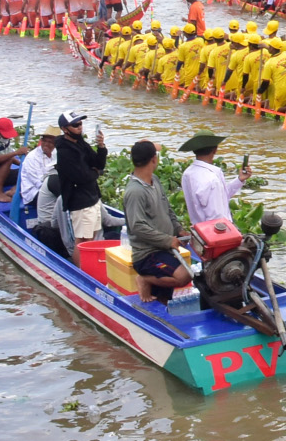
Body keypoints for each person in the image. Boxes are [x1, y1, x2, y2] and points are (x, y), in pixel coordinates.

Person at [123, 140, 192, 303]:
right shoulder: (135, 192)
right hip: (148, 254)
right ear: (154, 159)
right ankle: (144, 279)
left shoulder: (154, 180)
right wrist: (167, 240)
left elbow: (167, 209)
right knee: (184, 275)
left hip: (164, 249)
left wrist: (178, 229)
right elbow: (137, 226)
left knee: (163, 297)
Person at [53, 109, 109, 257]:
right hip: (80, 201)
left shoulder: (81, 143)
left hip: (92, 197)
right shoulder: (64, 151)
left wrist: (101, 147)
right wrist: (96, 173)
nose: (79, 127)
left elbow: (98, 163)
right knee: (83, 241)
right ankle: (80, 268)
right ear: (65, 129)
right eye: (75, 125)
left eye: (80, 124)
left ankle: (88, 266)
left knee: (92, 236)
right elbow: (82, 176)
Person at [180, 132, 249, 226]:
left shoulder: (188, 173)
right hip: (216, 232)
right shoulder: (212, 179)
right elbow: (216, 219)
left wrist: (239, 180)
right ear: (215, 149)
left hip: (198, 230)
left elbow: (220, 196)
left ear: (194, 150)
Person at [18, 126, 60, 213]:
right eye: (44, 141)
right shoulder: (32, 157)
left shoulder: (57, 153)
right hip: (33, 192)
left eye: (50, 142)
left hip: (51, 187)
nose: (46, 144)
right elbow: (38, 183)